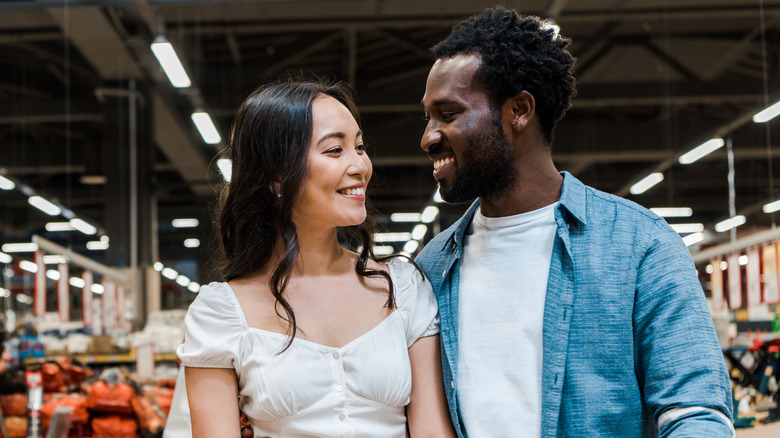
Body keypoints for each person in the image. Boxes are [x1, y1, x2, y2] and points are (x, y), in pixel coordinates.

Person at [415, 6, 734, 438]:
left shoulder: (640, 247)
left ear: (519, 110)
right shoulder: (433, 266)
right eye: (428, 118)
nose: (428, 137)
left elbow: (694, 414)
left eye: (448, 114)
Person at [177, 79, 455, 438]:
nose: (360, 165)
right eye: (335, 150)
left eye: (359, 146)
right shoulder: (221, 313)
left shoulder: (402, 287)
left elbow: (432, 432)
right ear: (277, 175)